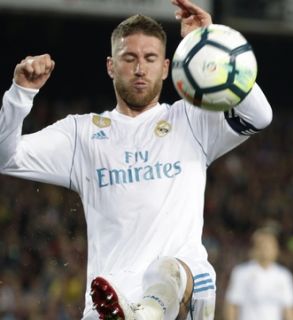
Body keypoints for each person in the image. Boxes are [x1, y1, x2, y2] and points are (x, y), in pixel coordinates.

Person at [0, 0, 273, 318]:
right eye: (129, 58)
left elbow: (259, 115)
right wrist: (20, 94)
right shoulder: (81, 134)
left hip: (178, 304)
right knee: (185, 270)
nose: (140, 68)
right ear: (110, 66)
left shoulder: (191, 121)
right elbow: (8, 157)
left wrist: (209, 44)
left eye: (150, 58)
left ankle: (142, 314)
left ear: (167, 67)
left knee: (175, 267)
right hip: (107, 304)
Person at [224, 227, 293, 320]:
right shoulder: (241, 272)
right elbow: (232, 305)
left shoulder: (284, 275)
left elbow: (289, 309)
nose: (266, 249)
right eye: (263, 245)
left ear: (276, 249)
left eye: (270, 245)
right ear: (255, 248)